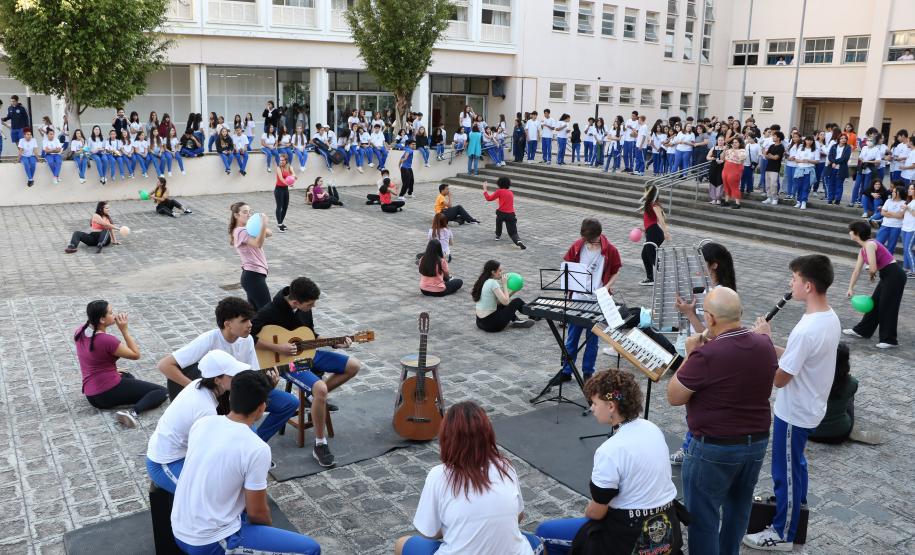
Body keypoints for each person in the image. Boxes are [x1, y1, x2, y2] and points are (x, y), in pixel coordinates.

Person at [667, 287, 777, 555]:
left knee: (703, 519)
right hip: (756, 443)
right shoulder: (765, 344)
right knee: (738, 512)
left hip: (714, 447)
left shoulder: (706, 355)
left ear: (712, 319)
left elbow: (674, 395)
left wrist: (691, 353)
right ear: (740, 314)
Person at [743, 255, 841, 552]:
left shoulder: (806, 329)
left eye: (794, 279)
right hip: (810, 405)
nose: (791, 284)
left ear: (808, 286)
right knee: (796, 465)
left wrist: (763, 343)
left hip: (795, 410)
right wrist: (768, 343)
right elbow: (800, 359)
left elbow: (780, 378)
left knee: (784, 472)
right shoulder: (829, 318)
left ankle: (783, 532)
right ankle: (795, 509)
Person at [171, 371, 321, 555]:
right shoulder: (257, 448)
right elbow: (257, 514)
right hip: (208, 541)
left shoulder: (203, 423)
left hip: (178, 527)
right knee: (310, 549)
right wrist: (266, 536)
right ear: (261, 407)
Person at [537, 369, 682, 554]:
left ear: (611, 406)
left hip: (628, 538)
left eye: (595, 403)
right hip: (668, 529)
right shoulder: (652, 428)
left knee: (545, 532)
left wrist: (588, 511)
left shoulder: (610, 450)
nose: (592, 408)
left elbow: (597, 512)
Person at [395, 401, 542, 555]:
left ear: (446, 437)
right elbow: (519, 515)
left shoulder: (438, 475)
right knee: (537, 543)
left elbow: (429, 533)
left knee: (402, 544)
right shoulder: (505, 466)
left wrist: (460, 526)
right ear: (488, 435)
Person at [251, 277, 366, 467]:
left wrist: (334, 342)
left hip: (309, 354)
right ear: (295, 302)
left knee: (354, 366)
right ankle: (320, 444)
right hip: (288, 363)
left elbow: (310, 335)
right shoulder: (270, 311)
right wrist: (278, 348)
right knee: (320, 388)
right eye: (310, 304)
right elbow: (249, 337)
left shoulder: (305, 308)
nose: (312, 307)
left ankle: (314, 398)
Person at [155, 295, 298, 434]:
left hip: (238, 394)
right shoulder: (209, 339)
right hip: (221, 399)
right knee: (246, 428)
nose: (250, 325)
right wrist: (196, 389)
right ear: (227, 324)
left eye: (250, 320)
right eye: (244, 321)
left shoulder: (247, 340)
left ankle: (257, 440)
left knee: (289, 402)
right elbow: (164, 365)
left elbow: (253, 374)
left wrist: (269, 384)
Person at [146, 350, 244, 493]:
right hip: (165, 463)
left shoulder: (199, 383)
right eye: (233, 374)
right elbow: (208, 453)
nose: (238, 376)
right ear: (217, 380)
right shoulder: (205, 409)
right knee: (207, 497)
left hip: (183, 454)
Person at [73, 299, 166, 429]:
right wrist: (124, 330)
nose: (115, 315)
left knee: (126, 375)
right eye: (111, 313)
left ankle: (131, 395)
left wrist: (110, 370)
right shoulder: (107, 340)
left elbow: (96, 359)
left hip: (91, 395)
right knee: (160, 392)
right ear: (102, 319)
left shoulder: (79, 332)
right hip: (105, 394)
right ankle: (133, 413)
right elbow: (135, 354)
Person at [553, 218, 622, 385]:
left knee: (592, 340)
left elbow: (616, 270)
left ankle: (587, 372)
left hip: (597, 300)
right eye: (586, 239)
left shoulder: (610, 250)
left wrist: (606, 287)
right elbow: (567, 267)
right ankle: (566, 370)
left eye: (591, 240)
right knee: (572, 337)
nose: (588, 243)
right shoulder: (578, 245)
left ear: (598, 235)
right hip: (577, 298)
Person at [843, 220, 906, 349]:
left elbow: (872, 267)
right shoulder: (863, 249)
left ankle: (889, 340)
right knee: (875, 303)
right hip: (887, 275)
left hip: (895, 275)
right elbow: (856, 271)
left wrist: (872, 274)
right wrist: (850, 288)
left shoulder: (870, 244)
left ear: (857, 233)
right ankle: (863, 330)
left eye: (851, 230)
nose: (849, 232)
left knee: (887, 306)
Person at [808, 343, 882, 445]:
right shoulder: (852, 383)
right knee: (849, 398)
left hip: (808, 433)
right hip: (839, 435)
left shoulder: (809, 378)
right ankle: (849, 426)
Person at [229, 202, 272, 310]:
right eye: (245, 212)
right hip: (253, 276)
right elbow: (258, 243)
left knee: (256, 314)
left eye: (249, 212)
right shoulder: (240, 231)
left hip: (254, 275)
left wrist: (260, 226)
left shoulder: (248, 228)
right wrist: (263, 225)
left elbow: (269, 233)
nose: (248, 214)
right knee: (268, 310)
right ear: (236, 215)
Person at [472, 260, 534, 332]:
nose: (501, 273)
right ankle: (534, 315)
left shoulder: (482, 281)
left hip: (480, 322)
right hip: (493, 325)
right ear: (493, 272)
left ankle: (516, 320)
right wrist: (504, 284)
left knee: (502, 305)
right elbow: (506, 302)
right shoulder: (493, 282)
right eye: (500, 271)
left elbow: (498, 302)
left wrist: (513, 291)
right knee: (517, 301)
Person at [640, 184, 671, 286]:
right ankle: (650, 278)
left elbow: (661, 220)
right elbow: (649, 219)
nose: (644, 193)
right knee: (645, 255)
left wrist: (666, 233)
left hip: (655, 233)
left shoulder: (654, 205)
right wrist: (644, 229)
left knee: (651, 255)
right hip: (651, 232)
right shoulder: (649, 204)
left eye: (645, 191)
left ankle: (666, 277)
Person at [483, 177, 526, 250]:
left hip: (501, 213)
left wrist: (485, 189)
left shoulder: (499, 191)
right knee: (513, 232)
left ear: (499, 183)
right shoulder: (510, 193)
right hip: (511, 214)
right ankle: (518, 241)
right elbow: (507, 203)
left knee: (499, 222)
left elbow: (489, 198)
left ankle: (498, 235)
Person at [874, 185, 906, 253]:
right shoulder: (888, 201)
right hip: (885, 225)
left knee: (891, 246)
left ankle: (888, 262)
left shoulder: (904, 203)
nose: (892, 193)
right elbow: (882, 213)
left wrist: (888, 212)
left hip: (896, 226)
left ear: (899, 193)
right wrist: (895, 214)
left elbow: (900, 215)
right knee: (878, 243)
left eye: (894, 192)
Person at [827, 133, 852, 205]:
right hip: (832, 167)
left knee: (839, 184)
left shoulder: (848, 147)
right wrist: (833, 162)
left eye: (845, 138)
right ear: (839, 139)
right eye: (842, 138)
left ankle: (837, 200)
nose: (843, 140)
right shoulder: (834, 146)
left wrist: (835, 162)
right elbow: (830, 156)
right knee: (831, 184)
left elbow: (845, 158)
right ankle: (830, 199)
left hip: (841, 168)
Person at [722, 137, 747, 208]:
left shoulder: (742, 151)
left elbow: (741, 158)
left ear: (740, 143)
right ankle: (727, 201)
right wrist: (724, 150)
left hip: (735, 169)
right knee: (726, 185)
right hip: (726, 169)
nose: (734, 144)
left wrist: (734, 150)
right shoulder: (728, 150)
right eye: (733, 142)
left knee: (734, 186)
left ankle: (737, 203)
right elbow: (722, 158)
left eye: (736, 142)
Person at [762, 131, 786, 205]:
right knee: (768, 184)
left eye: (774, 136)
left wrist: (770, 155)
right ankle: (769, 197)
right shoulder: (772, 146)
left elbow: (776, 157)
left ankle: (775, 198)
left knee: (773, 184)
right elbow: (766, 155)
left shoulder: (781, 147)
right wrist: (769, 155)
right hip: (768, 167)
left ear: (778, 138)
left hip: (775, 169)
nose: (773, 137)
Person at [273, 154, 294, 232]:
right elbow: (281, 179)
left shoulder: (289, 167)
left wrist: (294, 178)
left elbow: (294, 175)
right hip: (278, 189)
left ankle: (281, 223)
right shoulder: (278, 168)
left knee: (285, 207)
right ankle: (279, 225)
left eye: (283, 160)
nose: (281, 161)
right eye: (280, 160)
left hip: (285, 189)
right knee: (279, 206)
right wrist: (289, 184)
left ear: (286, 161)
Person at [706, 135, 726, 205]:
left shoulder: (726, 149)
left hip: (722, 167)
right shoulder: (713, 148)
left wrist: (723, 160)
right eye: (719, 140)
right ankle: (713, 198)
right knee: (712, 181)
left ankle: (719, 198)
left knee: (720, 182)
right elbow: (707, 157)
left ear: (724, 141)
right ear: (717, 141)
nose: (720, 142)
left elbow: (728, 158)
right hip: (713, 166)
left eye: (722, 140)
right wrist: (712, 158)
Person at [903, 183, 915, 276]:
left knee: (908, 249)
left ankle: (914, 270)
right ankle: (907, 268)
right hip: (905, 227)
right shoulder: (909, 201)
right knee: (905, 249)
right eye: (909, 189)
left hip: (912, 228)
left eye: (912, 189)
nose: (909, 190)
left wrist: (908, 208)